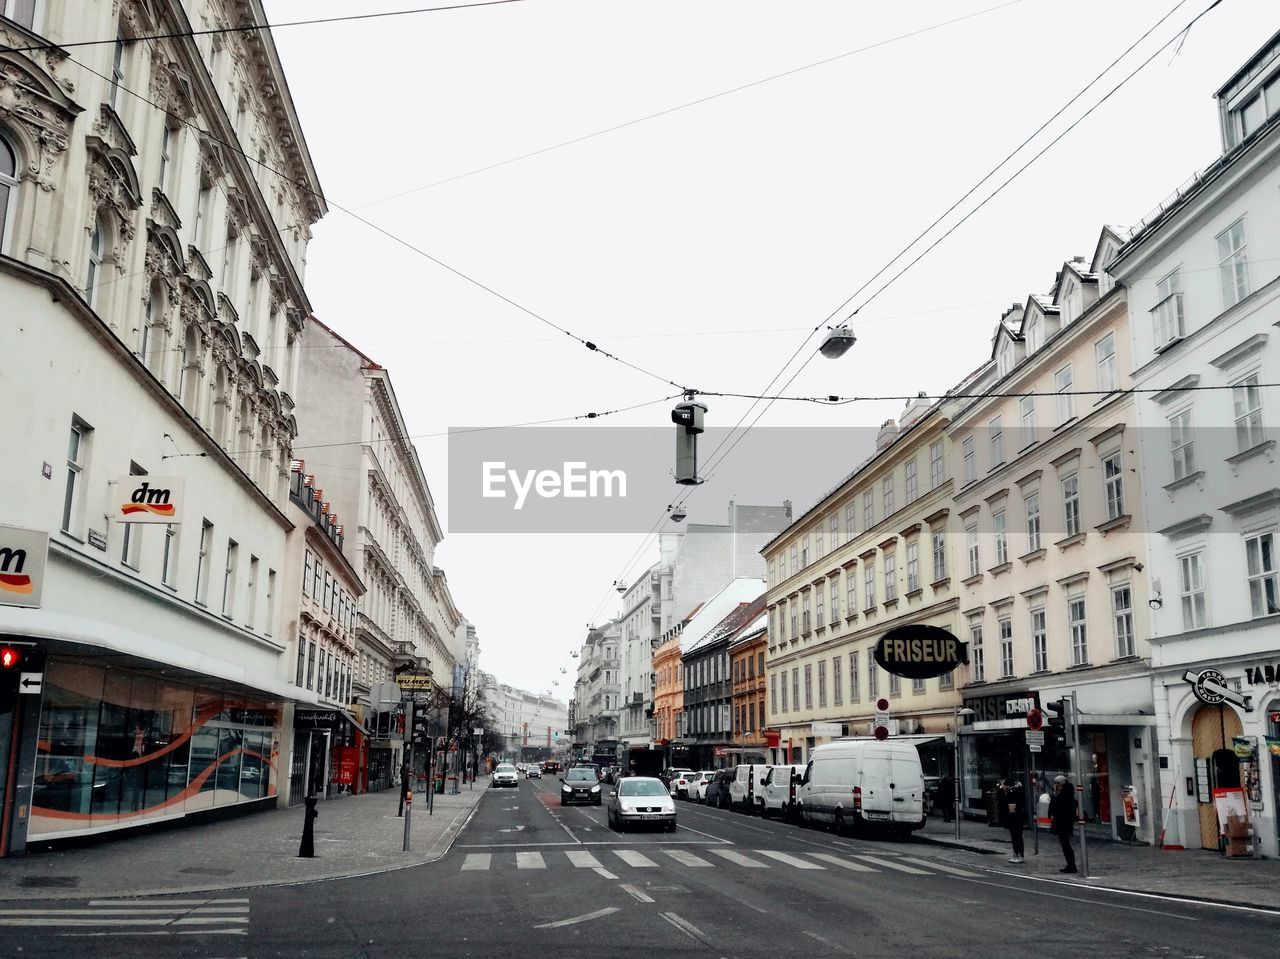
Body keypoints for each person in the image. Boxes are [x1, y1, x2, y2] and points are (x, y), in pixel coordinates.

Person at [1048, 774, 1078, 873]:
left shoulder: (1066, 793)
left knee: (1066, 844)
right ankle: (1070, 865)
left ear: (1060, 784)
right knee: (1064, 844)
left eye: (1056, 783)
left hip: (1064, 822)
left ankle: (1071, 865)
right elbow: (1053, 804)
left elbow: (1061, 806)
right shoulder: (1058, 793)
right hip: (1060, 822)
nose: (1055, 785)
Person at [997, 779, 1027, 863]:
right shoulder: (1009, 792)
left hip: (1016, 817)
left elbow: (1017, 803)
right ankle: (1016, 854)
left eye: (1005, 786)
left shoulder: (1016, 792)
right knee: (1014, 837)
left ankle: (1020, 855)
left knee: (1017, 836)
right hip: (1011, 818)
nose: (1004, 787)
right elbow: (1000, 798)